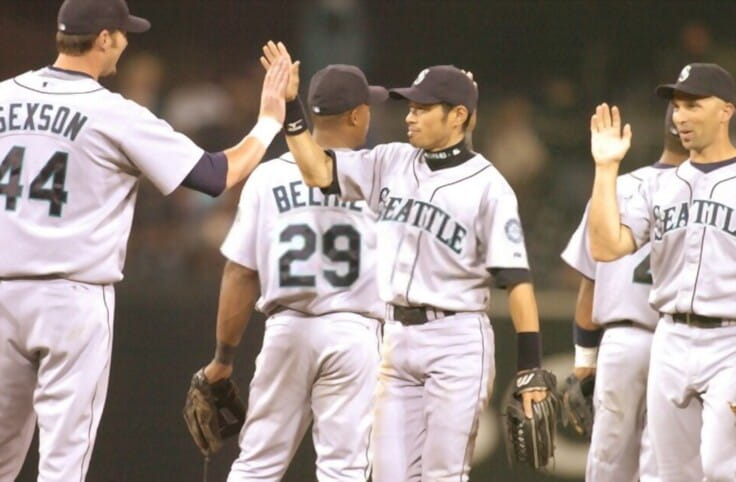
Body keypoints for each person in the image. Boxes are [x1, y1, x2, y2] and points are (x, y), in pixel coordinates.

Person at [0, 0, 289, 479]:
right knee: (62, 466)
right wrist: (269, 121)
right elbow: (216, 174)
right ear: (103, 38)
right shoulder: (111, 112)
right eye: (122, 34)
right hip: (71, 301)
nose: (125, 43)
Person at [262, 41, 552, 481]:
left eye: (422, 108)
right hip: (396, 339)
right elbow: (319, 171)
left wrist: (530, 366)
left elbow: (518, 281)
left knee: (442, 475)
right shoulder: (390, 160)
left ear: (457, 116)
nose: (409, 116)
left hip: (457, 339)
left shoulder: (489, 187)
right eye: (409, 107)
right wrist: (293, 109)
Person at [197, 63, 387, 481]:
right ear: (357, 115)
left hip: (286, 330)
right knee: (345, 469)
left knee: (256, 464)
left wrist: (223, 358)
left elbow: (240, 273)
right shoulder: (379, 173)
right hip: (353, 332)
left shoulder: (267, 177)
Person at [587, 63, 736, 481]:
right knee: (670, 474)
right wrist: (605, 169)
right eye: (676, 106)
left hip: (730, 341)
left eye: (693, 104)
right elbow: (604, 245)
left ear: (726, 111)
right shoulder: (658, 186)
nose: (680, 116)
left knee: (723, 467)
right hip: (670, 336)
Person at [561, 104, 687, 482]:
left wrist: (584, 360)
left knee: (608, 465)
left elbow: (590, 283)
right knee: (667, 466)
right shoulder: (716, 191)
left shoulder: (616, 186)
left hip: (620, 341)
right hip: (682, 340)